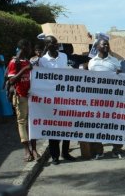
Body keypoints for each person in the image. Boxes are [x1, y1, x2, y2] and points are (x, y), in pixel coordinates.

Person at [88, 38, 125, 160]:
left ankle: (117, 150)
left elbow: (122, 78)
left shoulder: (115, 61)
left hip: (113, 100)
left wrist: (120, 74)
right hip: (97, 101)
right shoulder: (92, 62)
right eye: (103, 44)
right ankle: (99, 151)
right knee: (97, 126)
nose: (106, 45)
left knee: (116, 125)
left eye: (107, 44)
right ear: (97, 47)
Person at [39, 35, 76, 164]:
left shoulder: (64, 56)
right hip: (51, 98)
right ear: (47, 45)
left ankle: (65, 152)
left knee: (67, 126)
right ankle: (55, 156)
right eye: (53, 43)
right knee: (53, 127)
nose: (56, 45)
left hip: (65, 96)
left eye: (56, 43)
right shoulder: (42, 61)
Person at [7, 39, 40, 162]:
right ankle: (27, 150)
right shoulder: (13, 62)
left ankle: (34, 149)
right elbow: (11, 81)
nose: (31, 49)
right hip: (20, 96)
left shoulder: (27, 61)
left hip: (31, 95)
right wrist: (24, 69)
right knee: (22, 122)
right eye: (29, 47)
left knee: (32, 122)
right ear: (24, 47)